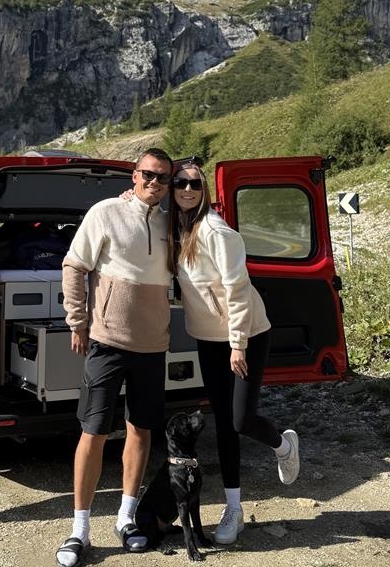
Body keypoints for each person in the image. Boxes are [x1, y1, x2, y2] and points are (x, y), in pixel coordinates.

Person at [168, 157, 299, 545]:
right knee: (223, 423)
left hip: (246, 336)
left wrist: (238, 343)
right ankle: (234, 509)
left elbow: (237, 290)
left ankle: (284, 446)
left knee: (241, 420)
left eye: (195, 184)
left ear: (204, 190)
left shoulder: (216, 231)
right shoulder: (174, 227)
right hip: (207, 338)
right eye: (180, 183)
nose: (187, 189)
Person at [56, 148, 174, 567]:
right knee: (94, 432)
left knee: (140, 431)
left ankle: (126, 518)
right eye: (148, 174)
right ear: (134, 175)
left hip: (152, 346)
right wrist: (77, 322)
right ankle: (79, 529)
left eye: (163, 178)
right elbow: (74, 266)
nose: (154, 182)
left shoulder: (171, 223)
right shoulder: (105, 211)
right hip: (106, 341)